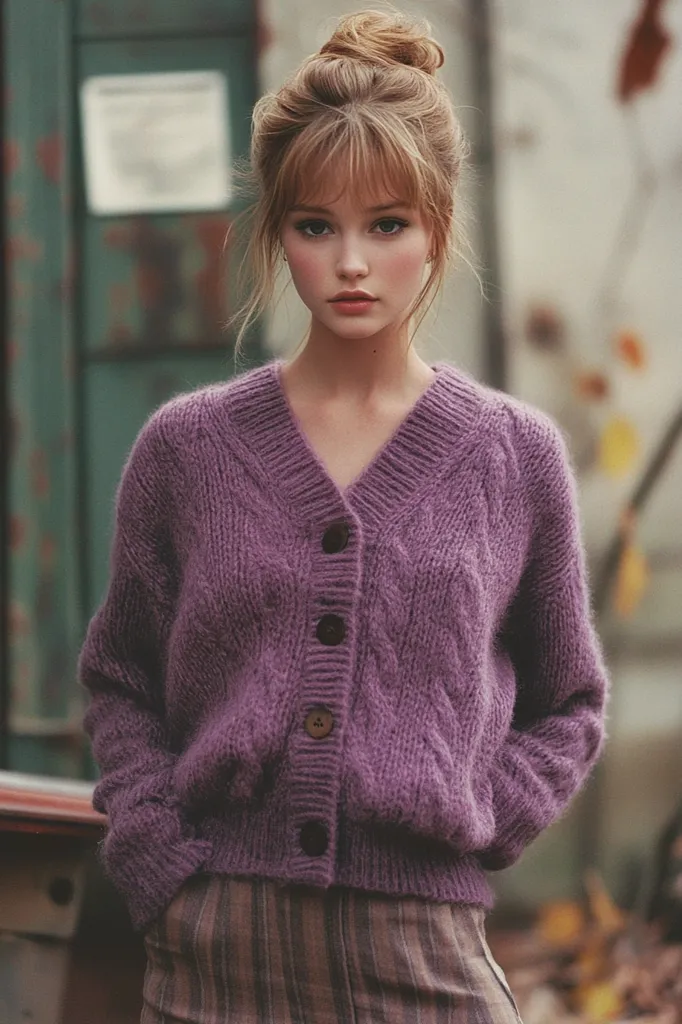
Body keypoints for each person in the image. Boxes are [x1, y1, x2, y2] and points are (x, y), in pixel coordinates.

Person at [77, 9, 610, 1023]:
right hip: (211, 945)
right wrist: (159, 864)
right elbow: (119, 677)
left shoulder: (512, 457)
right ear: (277, 232)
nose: (351, 262)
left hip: (420, 945)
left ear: (438, 226)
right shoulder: (186, 452)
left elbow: (569, 701)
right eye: (315, 225)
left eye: (387, 224)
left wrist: (477, 820)